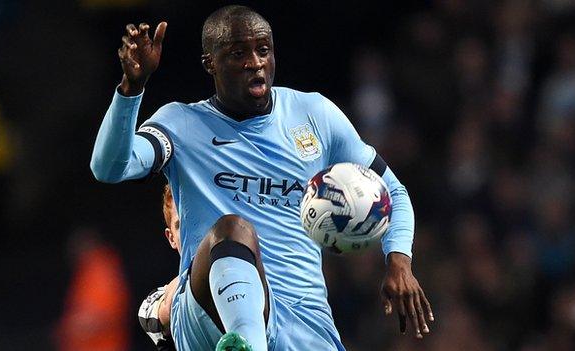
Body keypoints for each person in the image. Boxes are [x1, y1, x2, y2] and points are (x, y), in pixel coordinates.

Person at [90, 5, 434, 351]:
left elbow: (392, 190)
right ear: (210, 62)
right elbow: (109, 168)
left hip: (303, 318)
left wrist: (399, 261)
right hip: (208, 313)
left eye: (263, 50)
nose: (254, 62)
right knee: (232, 229)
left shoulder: (313, 114)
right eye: (238, 53)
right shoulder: (180, 123)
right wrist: (131, 89)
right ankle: (246, 343)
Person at [138, 185, 180, 351]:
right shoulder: (156, 300)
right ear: (171, 238)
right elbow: (168, 308)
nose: (192, 233)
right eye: (180, 225)